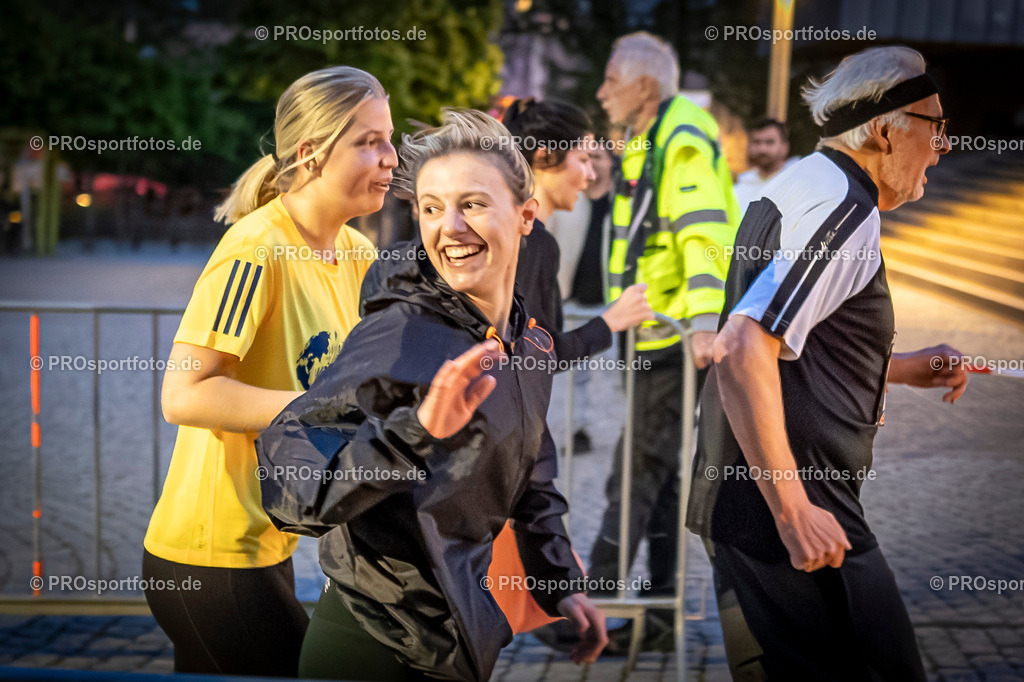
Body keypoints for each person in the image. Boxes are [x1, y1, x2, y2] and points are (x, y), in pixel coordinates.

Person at [255, 109, 611, 681]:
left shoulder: (531, 344)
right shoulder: (403, 332)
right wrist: (416, 430)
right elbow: (292, 480)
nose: (449, 227)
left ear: (526, 216)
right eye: (430, 207)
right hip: (373, 643)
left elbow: (531, 478)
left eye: (471, 203)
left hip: (459, 642)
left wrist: (561, 586)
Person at [686, 46, 966, 680]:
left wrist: (896, 365)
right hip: (794, 509)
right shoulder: (844, 208)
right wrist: (793, 511)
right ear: (888, 129)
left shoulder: (805, 179)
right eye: (937, 126)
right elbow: (740, 346)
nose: (943, 147)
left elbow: (795, 336)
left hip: (744, 499)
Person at [141, 66, 395, 677]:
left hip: (266, 546)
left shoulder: (360, 254)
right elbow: (184, 393)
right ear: (310, 154)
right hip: (210, 555)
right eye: (369, 142)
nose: (391, 159)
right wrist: (319, 409)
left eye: (389, 140)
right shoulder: (256, 248)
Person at [588, 31, 740, 648]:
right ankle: (656, 617)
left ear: (644, 86)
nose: (601, 93)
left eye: (610, 80)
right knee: (660, 475)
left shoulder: (679, 137)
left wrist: (703, 320)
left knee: (633, 474)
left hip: (674, 342)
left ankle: (587, 615)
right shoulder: (655, 137)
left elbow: (704, 230)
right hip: (657, 338)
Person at [732, 118, 799, 215]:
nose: (762, 149)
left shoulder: (795, 184)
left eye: (769, 142)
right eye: (757, 142)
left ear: (785, 147)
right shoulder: (740, 188)